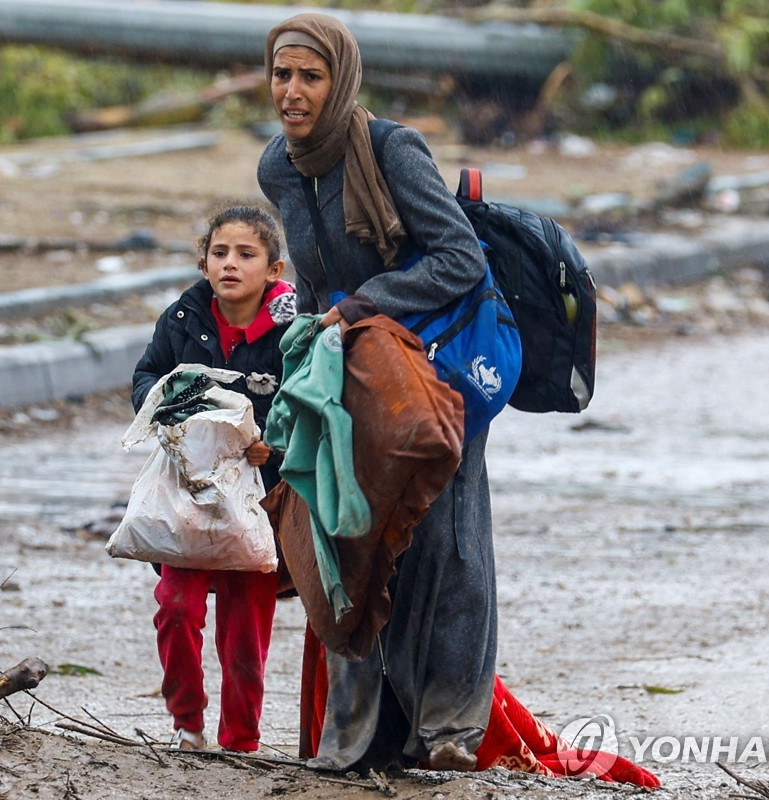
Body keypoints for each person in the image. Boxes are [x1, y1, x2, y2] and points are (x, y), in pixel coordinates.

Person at [257, 12, 497, 773]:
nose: (293, 92)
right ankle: (359, 735)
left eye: (310, 76)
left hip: (433, 371)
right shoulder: (279, 168)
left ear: (342, 81)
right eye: (281, 74)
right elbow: (317, 277)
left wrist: (365, 303)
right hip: (351, 374)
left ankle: (452, 727)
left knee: (446, 544)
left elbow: (459, 259)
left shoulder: (393, 150)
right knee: (348, 538)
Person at [130, 204, 296, 753]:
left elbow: (308, 397)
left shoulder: (291, 330)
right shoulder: (182, 319)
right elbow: (148, 375)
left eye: (246, 254)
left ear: (273, 270)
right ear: (204, 263)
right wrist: (165, 408)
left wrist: (274, 440)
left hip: (259, 502)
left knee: (245, 629)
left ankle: (241, 740)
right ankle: (187, 723)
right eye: (219, 253)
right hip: (189, 494)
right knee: (175, 606)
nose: (231, 264)